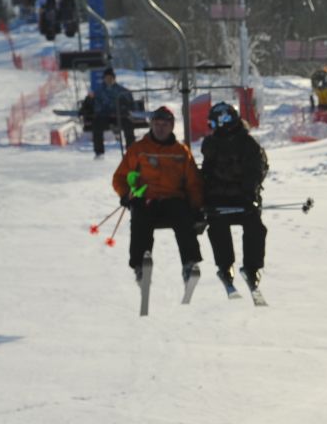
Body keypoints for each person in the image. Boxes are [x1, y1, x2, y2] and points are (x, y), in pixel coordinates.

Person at [111, 106, 203, 285]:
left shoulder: (181, 151)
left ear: (171, 126)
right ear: (152, 125)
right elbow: (120, 177)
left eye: (165, 125)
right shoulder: (139, 149)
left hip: (173, 198)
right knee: (140, 220)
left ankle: (189, 263)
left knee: (184, 219)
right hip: (147, 198)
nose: (160, 128)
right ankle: (141, 266)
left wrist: (197, 207)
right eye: (157, 124)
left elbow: (193, 183)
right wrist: (125, 194)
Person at [199, 100, 268, 295]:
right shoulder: (211, 144)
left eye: (223, 121)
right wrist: (205, 198)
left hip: (243, 198)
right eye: (214, 124)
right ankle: (225, 265)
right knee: (217, 226)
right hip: (218, 198)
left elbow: (256, 171)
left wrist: (249, 194)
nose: (220, 127)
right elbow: (207, 173)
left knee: (255, 226)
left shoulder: (247, 144)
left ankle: (251, 267)